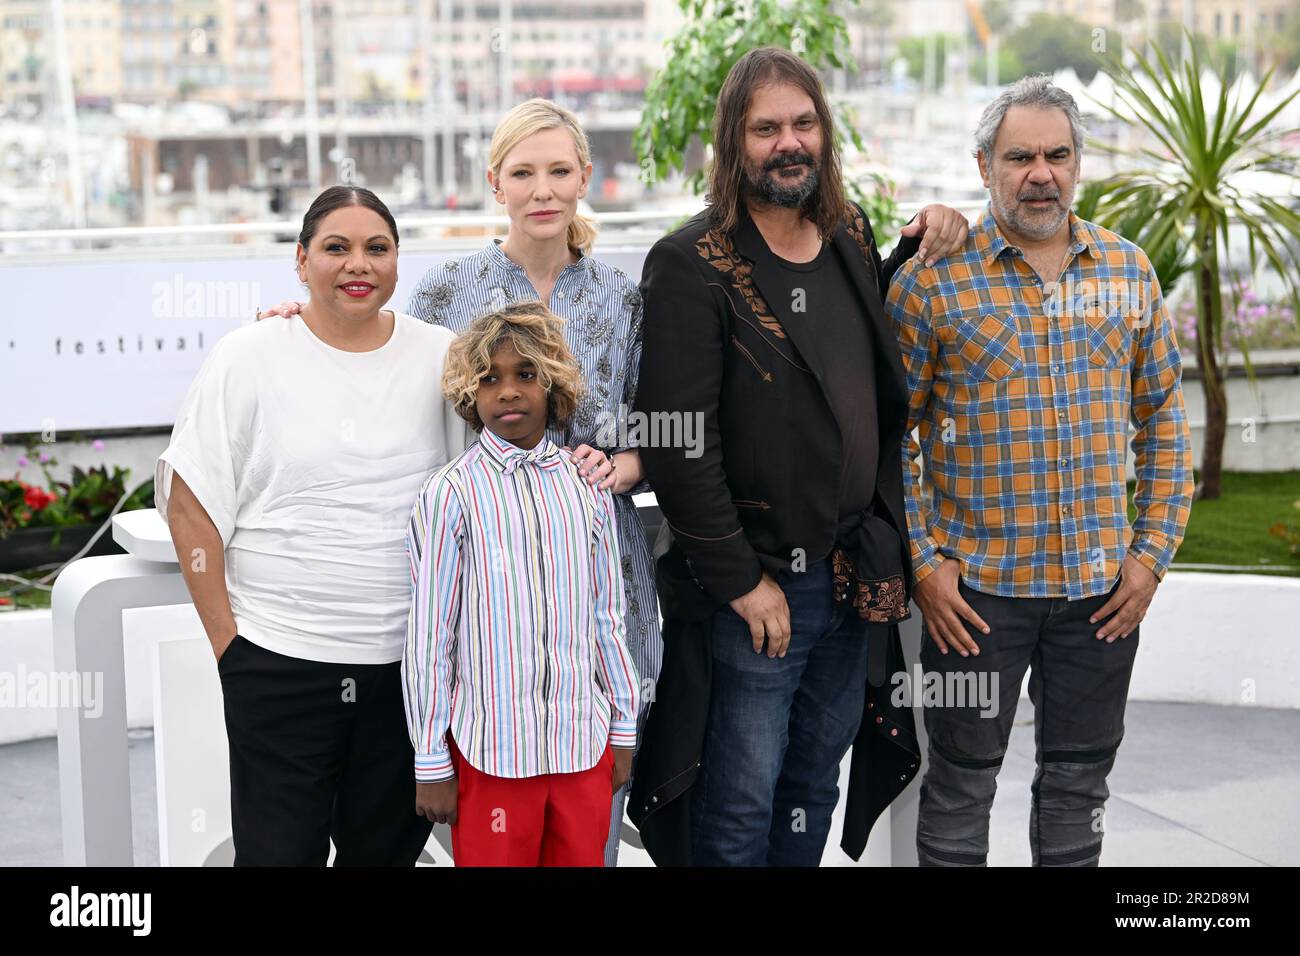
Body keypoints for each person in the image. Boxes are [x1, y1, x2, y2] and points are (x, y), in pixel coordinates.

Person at [262, 98, 660, 866]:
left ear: (584, 180)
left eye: (557, 171)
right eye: (523, 173)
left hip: (598, 575)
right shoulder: (449, 288)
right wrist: (300, 318)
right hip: (487, 590)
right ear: (495, 183)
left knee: (589, 834)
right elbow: (371, 351)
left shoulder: (623, 298)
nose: (541, 190)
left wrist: (624, 466)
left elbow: (660, 428)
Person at [631, 47, 971, 866]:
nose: (790, 142)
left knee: (813, 786)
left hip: (858, 569)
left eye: (804, 122)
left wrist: (935, 227)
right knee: (740, 801)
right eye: (766, 128)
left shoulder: (848, 235)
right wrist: (744, 584)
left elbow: (841, 356)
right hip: (762, 588)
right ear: (733, 143)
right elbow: (678, 445)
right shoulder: (691, 264)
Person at [886, 75, 1194, 867]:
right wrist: (925, 563)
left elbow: (1163, 422)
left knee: (1078, 788)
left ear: (1077, 164)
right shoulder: (932, 279)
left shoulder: (1128, 273)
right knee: (958, 786)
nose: (1040, 173)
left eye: (1057, 155)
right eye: (1020, 156)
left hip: (1102, 596)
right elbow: (894, 436)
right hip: (974, 599)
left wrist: (1151, 556)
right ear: (985, 163)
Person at [157, 185, 472, 866]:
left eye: (377, 248)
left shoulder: (441, 356)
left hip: (406, 678)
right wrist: (230, 651)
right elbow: (190, 502)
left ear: (397, 262)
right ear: (301, 261)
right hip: (278, 666)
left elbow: (478, 486)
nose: (358, 264)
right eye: (336, 248)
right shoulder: (249, 356)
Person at [404, 301, 641, 867]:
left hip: (582, 744)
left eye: (525, 375)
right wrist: (431, 760)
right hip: (491, 755)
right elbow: (431, 636)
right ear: (470, 394)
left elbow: (608, 616)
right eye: (489, 379)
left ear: (553, 385)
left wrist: (624, 726)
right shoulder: (451, 494)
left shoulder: (586, 488)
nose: (507, 391)